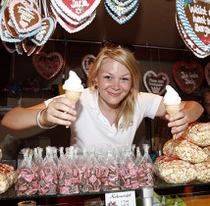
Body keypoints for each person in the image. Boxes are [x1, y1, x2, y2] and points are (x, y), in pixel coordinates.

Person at [1, 46, 204, 150]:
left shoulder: (139, 99)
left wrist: (185, 115)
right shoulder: (79, 99)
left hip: (120, 186)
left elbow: (196, 107)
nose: (116, 86)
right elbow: (10, 119)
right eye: (108, 77)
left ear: (132, 82)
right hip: (79, 185)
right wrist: (43, 117)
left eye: (124, 79)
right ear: (95, 78)